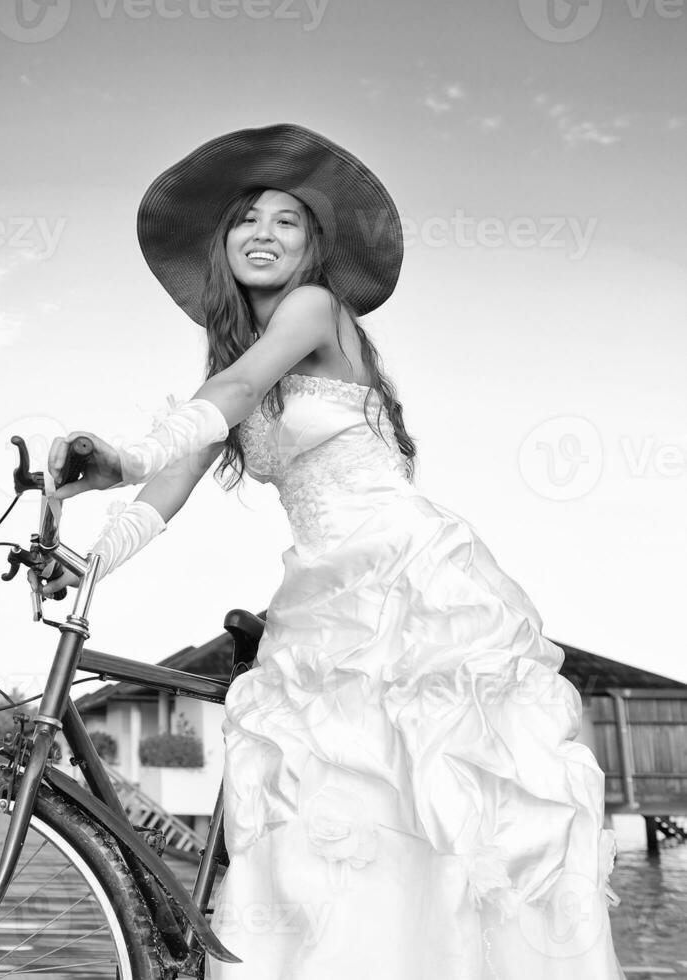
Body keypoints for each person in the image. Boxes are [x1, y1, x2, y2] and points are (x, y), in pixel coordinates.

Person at [43, 123, 626, 979]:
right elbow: (172, 483)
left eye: (289, 220)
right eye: (247, 219)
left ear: (314, 246)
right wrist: (92, 558)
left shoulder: (314, 311)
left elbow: (225, 398)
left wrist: (124, 453)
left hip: (402, 578)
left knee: (417, 806)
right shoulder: (236, 370)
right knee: (319, 821)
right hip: (321, 600)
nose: (265, 233)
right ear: (223, 245)